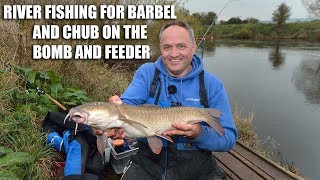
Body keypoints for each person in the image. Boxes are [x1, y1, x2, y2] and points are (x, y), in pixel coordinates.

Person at [107, 20, 237, 180]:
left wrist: (199, 133)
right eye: (167, 47)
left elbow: (228, 139)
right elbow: (127, 104)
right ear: (160, 49)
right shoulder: (147, 72)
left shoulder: (212, 84)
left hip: (197, 171)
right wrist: (116, 112)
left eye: (181, 46)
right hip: (148, 165)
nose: (174, 54)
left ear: (194, 47)